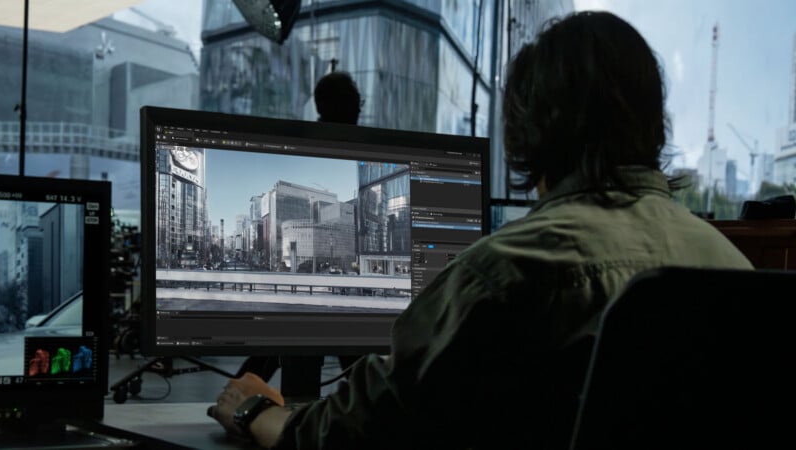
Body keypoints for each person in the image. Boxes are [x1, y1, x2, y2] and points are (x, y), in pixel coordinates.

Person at [209, 11, 753, 449]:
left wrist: (255, 410)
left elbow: (354, 434)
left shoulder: (503, 273)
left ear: (528, 131)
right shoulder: (732, 265)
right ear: (654, 122)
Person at [234, 70, 364, 382]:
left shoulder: (298, 139)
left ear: (319, 105)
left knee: (275, 346)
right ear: (357, 105)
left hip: (306, 294)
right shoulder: (362, 145)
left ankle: (238, 399)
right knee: (354, 359)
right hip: (335, 299)